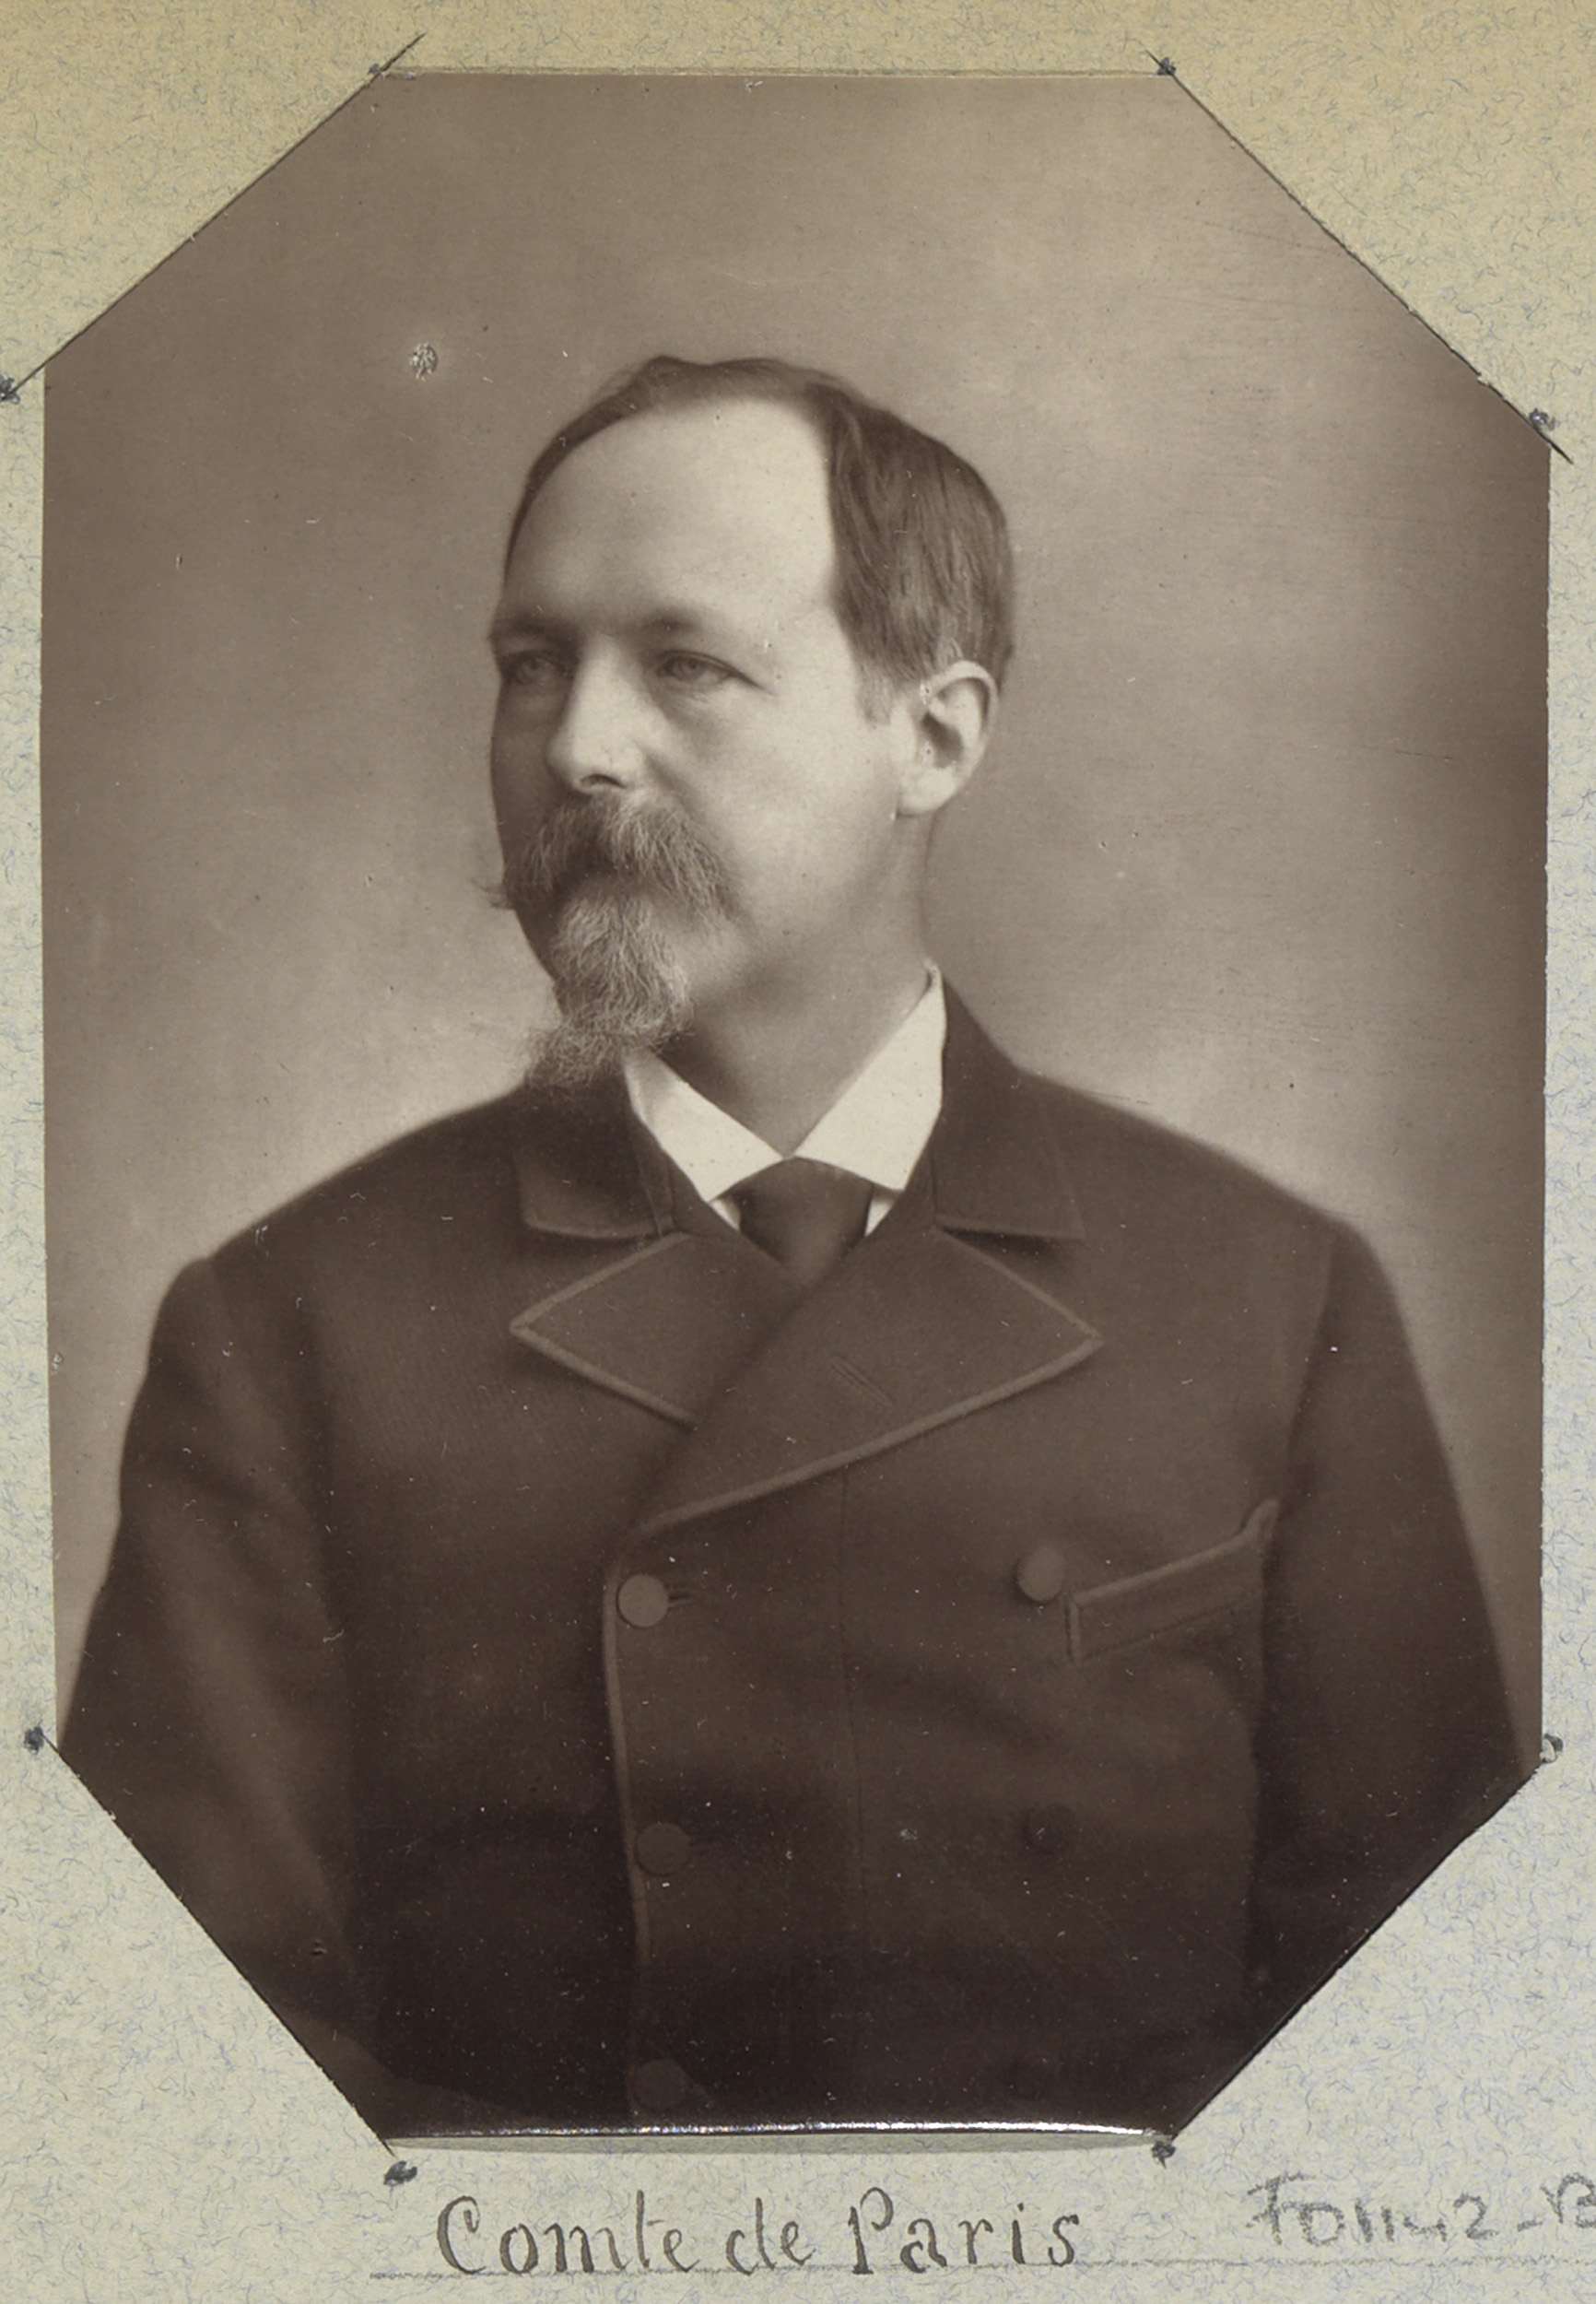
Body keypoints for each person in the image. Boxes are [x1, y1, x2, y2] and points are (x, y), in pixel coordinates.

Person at [64, 353, 1522, 2139]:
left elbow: (1429, 2061)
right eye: (532, 665)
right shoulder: (291, 1321)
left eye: (683, 663)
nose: (577, 747)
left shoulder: (1269, 1298)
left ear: (935, 735)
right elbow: (180, 2088)